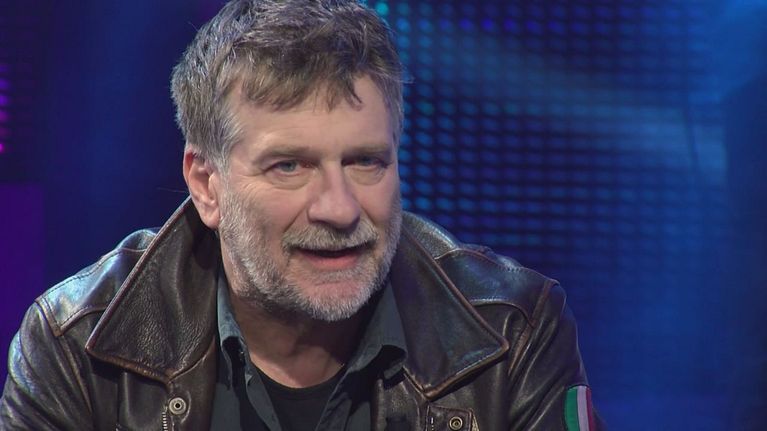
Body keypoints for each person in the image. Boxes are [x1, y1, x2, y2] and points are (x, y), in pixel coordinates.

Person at [0, 1, 602, 430]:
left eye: (365, 162)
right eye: (289, 166)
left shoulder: (512, 330)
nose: (339, 208)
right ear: (206, 184)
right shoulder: (77, 345)